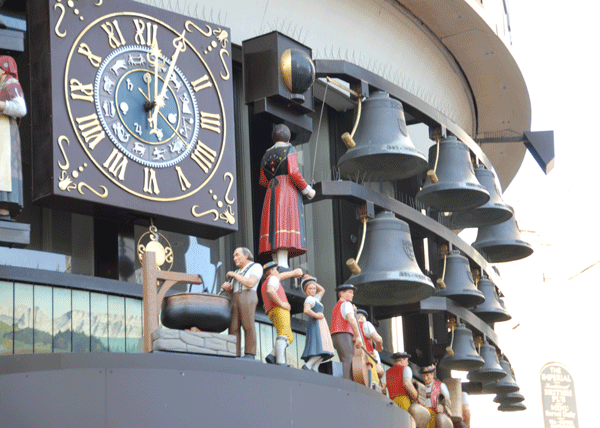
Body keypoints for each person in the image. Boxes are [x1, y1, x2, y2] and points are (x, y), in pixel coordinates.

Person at [258, 124, 315, 270]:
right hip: (286, 189)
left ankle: (276, 263)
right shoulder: (289, 149)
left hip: (271, 190)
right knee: (283, 224)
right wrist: (308, 189)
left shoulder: (266, 154)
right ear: (288, 137)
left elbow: (263, 181)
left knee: (273, 227)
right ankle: (283, 265)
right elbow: (294, 173)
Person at [220, 247, 263, 359]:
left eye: (237, 255)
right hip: (235, 298)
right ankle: (233, 352)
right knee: (233, 326)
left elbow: (250, 283)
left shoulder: (256, 267)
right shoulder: (236, 272)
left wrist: (234, 275)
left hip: (248, 296)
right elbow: (232, 292)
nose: (235, 258)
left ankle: (250, 353)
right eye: (234, 256)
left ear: (246, 255)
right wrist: (228, 289)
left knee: (247, 324)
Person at [0, 56, 26, 221]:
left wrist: (1, 105)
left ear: (4, 69)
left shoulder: (11, 84)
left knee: (4, 170)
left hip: (6, 134)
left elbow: (21, 109)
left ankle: (4, 210)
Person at [261, 261, 302, 365]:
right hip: (279, 309)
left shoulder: (265, 283)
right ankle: (280, 361)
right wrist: (281, 303)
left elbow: (279, 278)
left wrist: (293, 273)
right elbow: (270, 291)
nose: (278, 272)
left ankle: (272, 355)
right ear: (271, 271)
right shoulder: (273, 279)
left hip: (272, 310)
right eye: (275, 269)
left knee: (289, 337)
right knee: (283, 335)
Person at [300, 275, 334, 371]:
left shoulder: (315, 299)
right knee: (320, 346)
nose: (313, 290)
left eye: (314, 288)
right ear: (306, 291)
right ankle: (308, 365)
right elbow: (306, 310)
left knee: (325, 348)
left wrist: (312, 280)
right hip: (316, 324)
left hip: (321, 324)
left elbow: (322, 290)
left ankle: (315, 367)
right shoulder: (309, 299)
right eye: (310, 288)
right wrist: (316, 315)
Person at [330, 283, 361, 380]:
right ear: (342, 293)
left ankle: (346, 380)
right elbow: (351, 319)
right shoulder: (347, 304)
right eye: (350, 292)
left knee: (344, 358)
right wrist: (358, 336)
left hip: (336, 335)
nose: (352, 295)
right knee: (348, 358)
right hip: (344, 334)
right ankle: (347, 381)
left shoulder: (337, 306)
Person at [356, 308, 384, 388]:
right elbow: (378, 339)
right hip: (367, 360)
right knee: (372, 385)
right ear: (362, 317)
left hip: (355, 361)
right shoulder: (366, 324)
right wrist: (379, 347)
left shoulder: (350, 327)